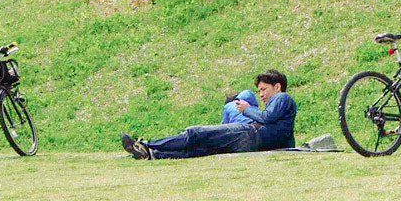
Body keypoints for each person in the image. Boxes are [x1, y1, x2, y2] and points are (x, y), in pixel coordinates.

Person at [120, 71, 296, 159]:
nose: (262, 95)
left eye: (264, 89)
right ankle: (152, 153)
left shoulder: (282, 97)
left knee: (197, 133)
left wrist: (247, 109)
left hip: (250, 134)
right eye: (259, 91)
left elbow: (267, 117)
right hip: (252, 142)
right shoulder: (283, 109)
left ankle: (146, 144)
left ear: (278, 87)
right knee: (203, 149)